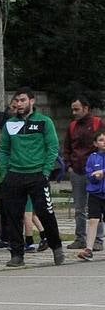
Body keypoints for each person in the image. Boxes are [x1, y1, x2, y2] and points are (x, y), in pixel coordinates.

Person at [0, 87, 64, 268]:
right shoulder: (9, 124)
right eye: (17, 101)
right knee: (13, 216)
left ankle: (56, 247)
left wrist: (46, 171)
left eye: (22, 100)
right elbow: (3, 150)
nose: (19, 104)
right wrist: (5, 172)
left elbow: (52, 147)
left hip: (37, 175)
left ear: (32, 101)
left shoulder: (44, 122)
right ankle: (17, 254)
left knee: (45, 213)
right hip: (14, 175)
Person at [63, 96, 103, 250]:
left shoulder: (97, 123)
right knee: (79, 207)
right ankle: (80, 237)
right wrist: (68, 166)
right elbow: (66, 147)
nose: (74, 112)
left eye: (77, 109)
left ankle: (98, 240)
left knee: (97, 206)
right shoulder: (72, 126)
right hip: (77, 170)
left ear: (86, 108)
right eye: (72, 109)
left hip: (95, 172)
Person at [76, 129, 105, 261]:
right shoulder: (92, 158)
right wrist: (96, 178)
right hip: (95, 194)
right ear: (95, 143)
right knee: (93, 220)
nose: (104, 142)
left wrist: (103, 172)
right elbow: (89, 174)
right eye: (101, 140)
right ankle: (88, 249)